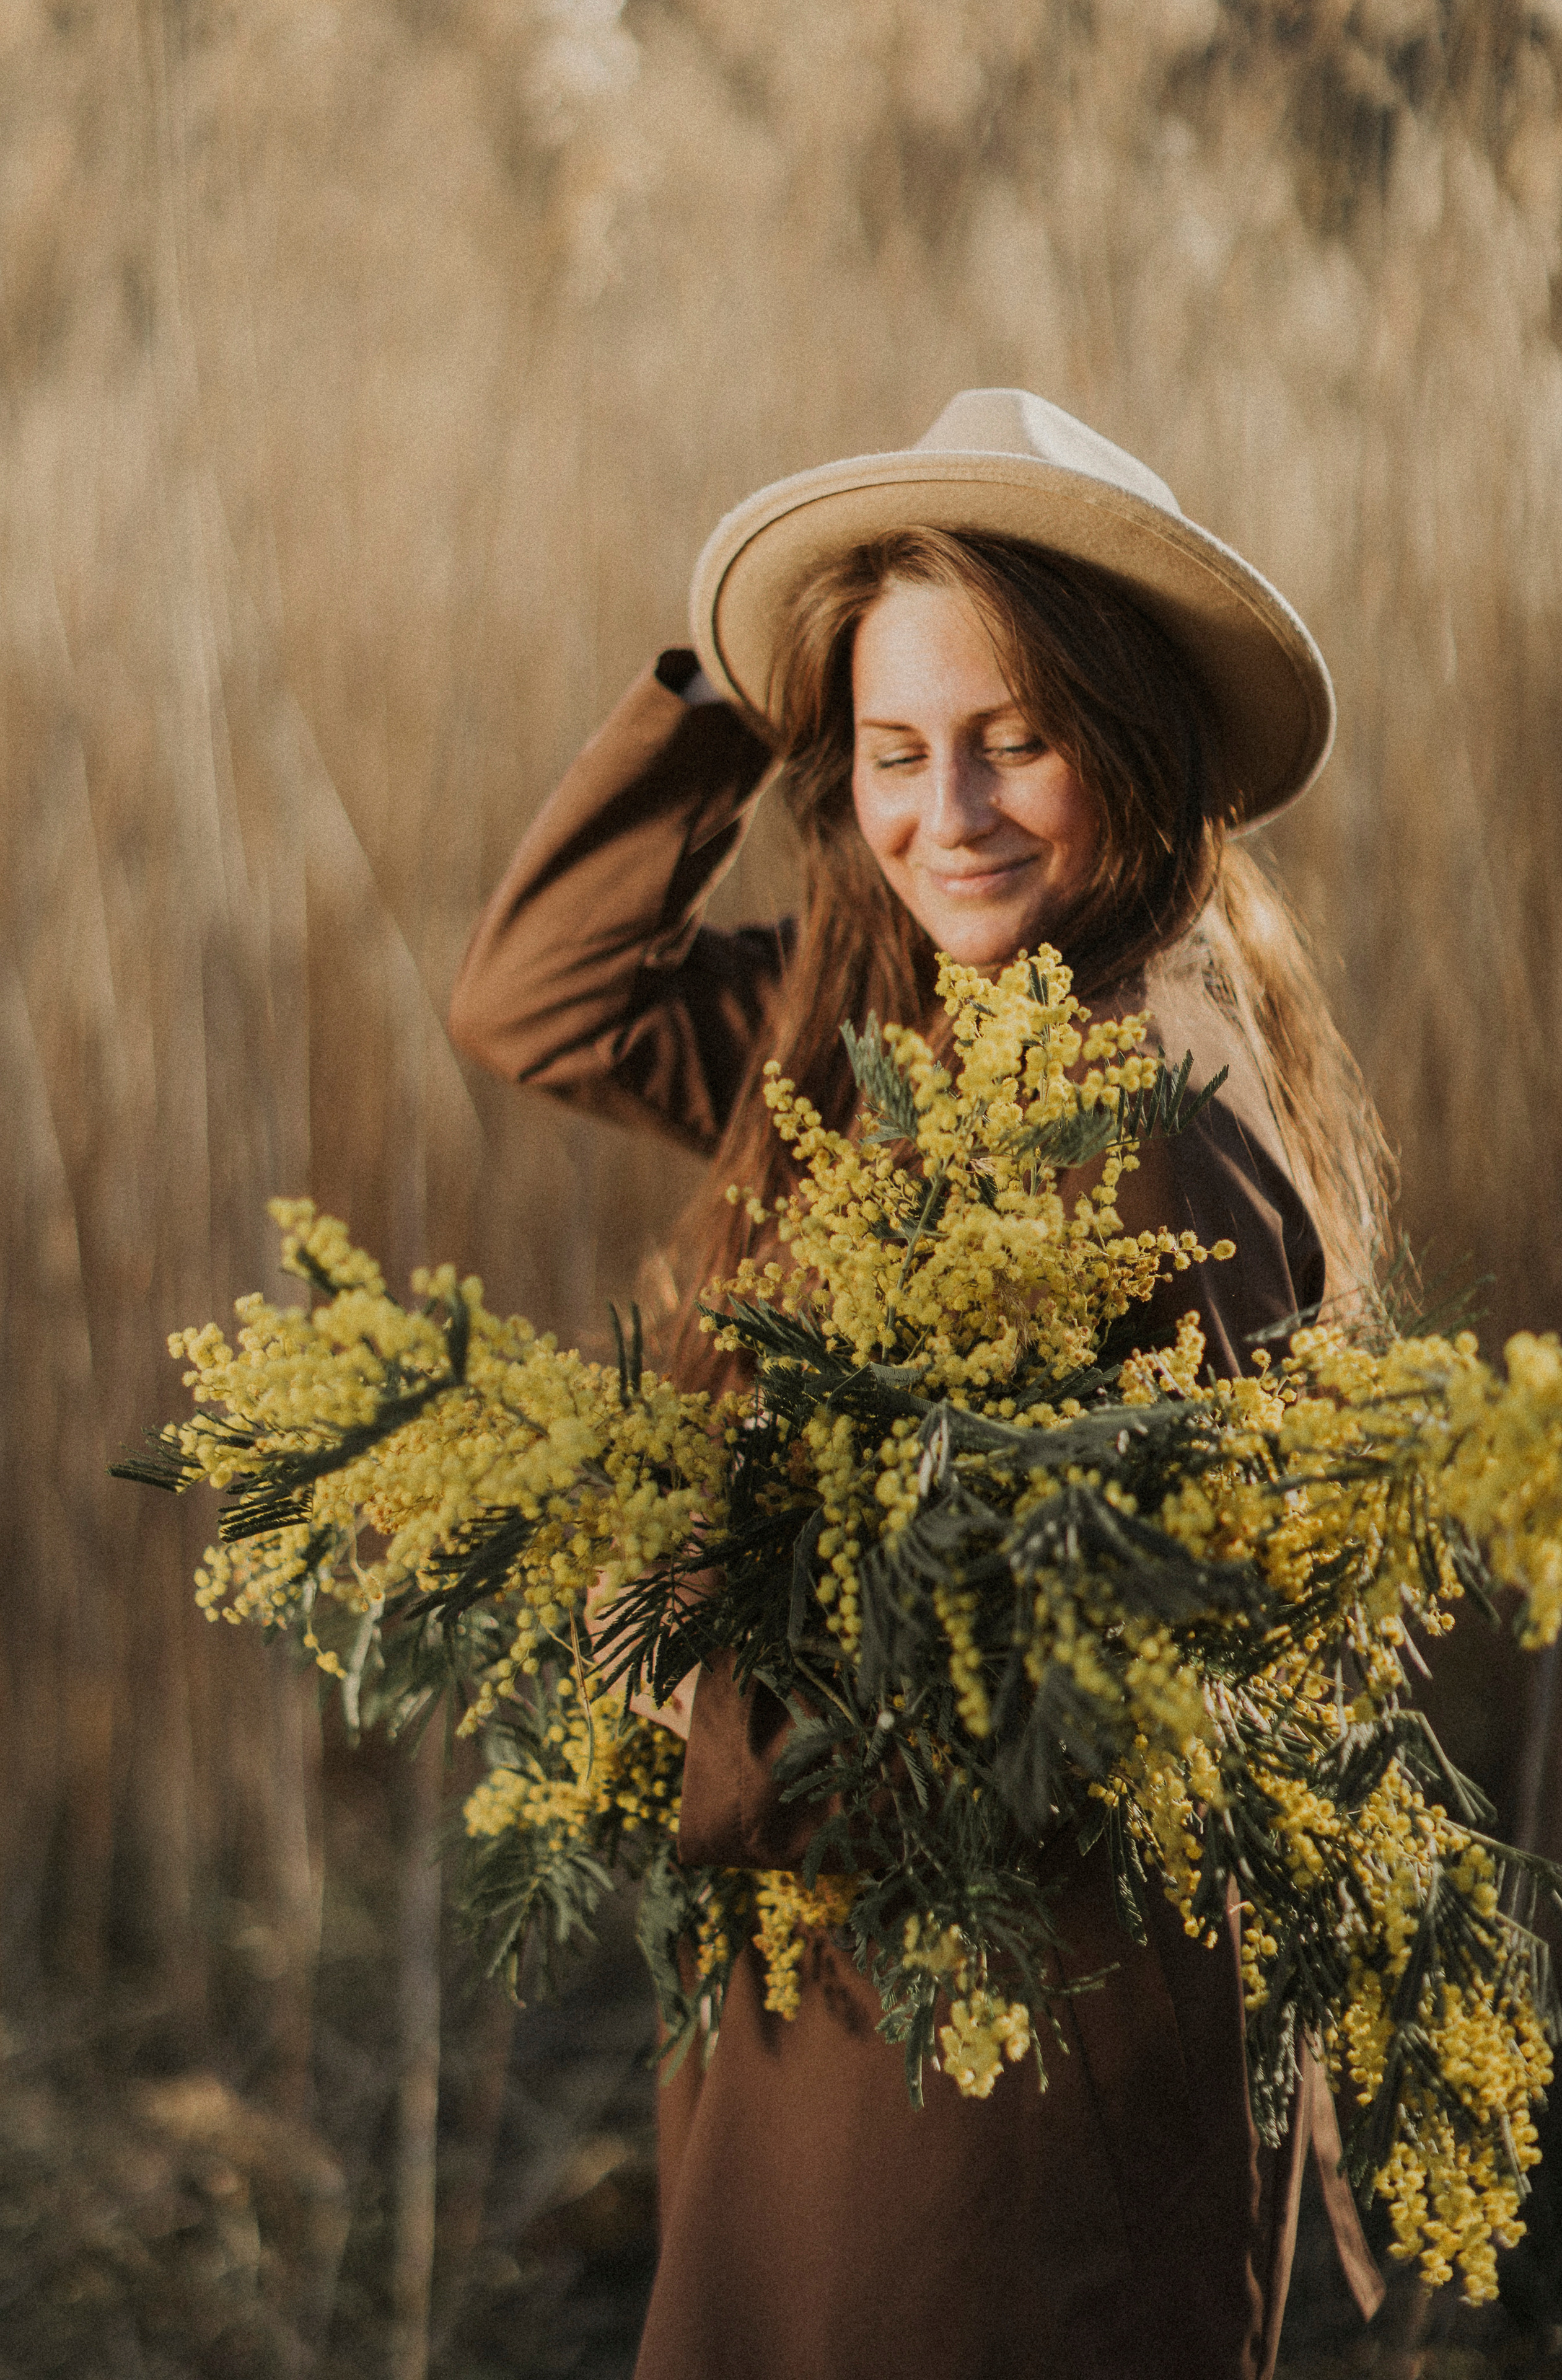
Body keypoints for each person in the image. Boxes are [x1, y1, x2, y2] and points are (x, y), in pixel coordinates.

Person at [449, 390, 1391, 2379]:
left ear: (1130, 746)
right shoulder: (869, 1033)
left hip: (1016, 2056)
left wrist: (663, 1649)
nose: (943, 814)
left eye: (1013, 741)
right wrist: (733, 680)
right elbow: (535, 996)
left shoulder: (1146, 1113)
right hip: (860, 1990)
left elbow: (1058, 1672)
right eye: (891, 751)